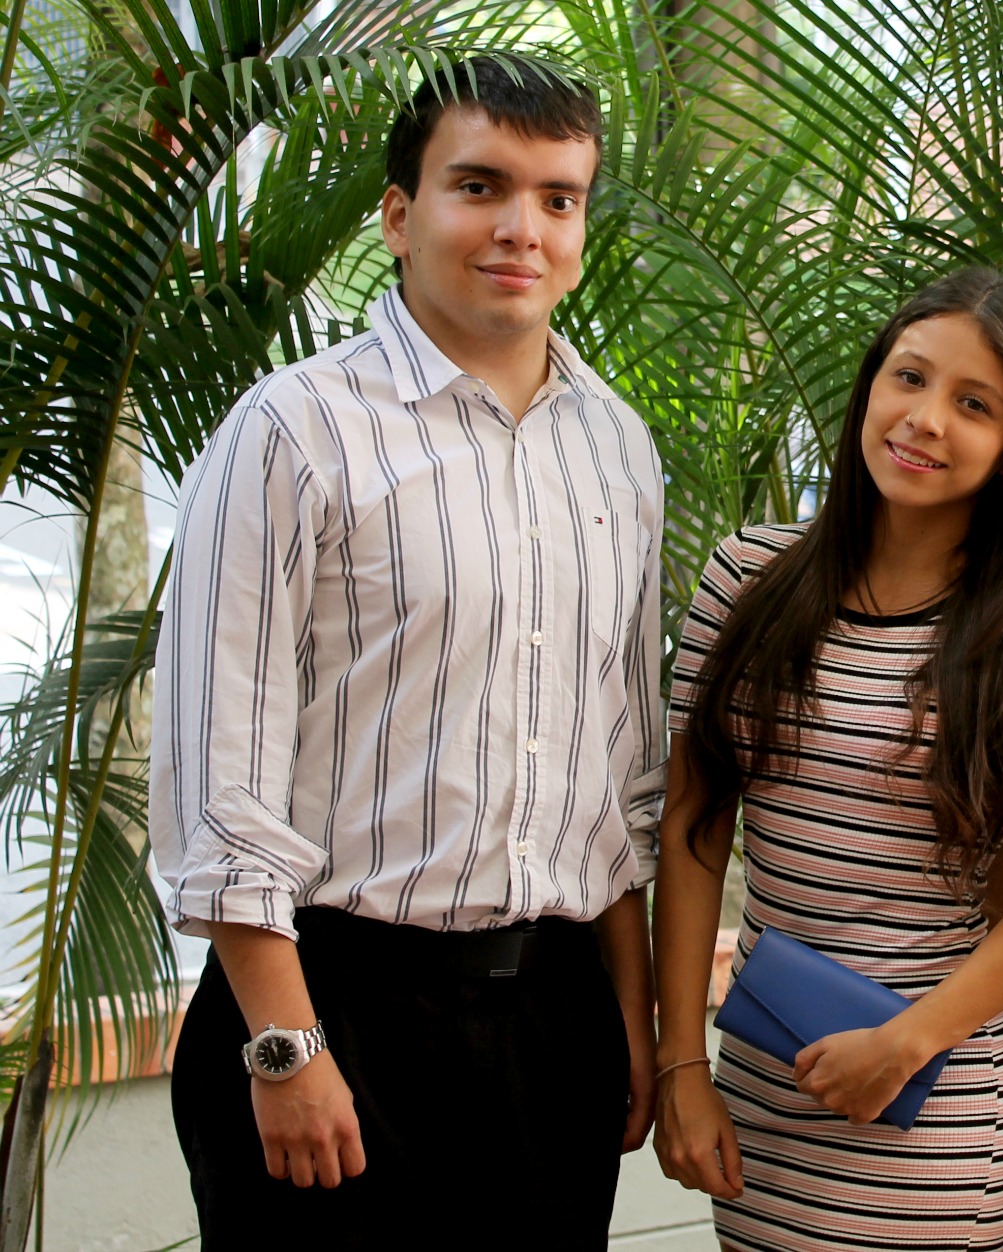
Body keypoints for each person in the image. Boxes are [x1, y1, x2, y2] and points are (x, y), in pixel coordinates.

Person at [150, 56, 664, 1249]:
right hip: (336, 1007)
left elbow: (625, 772)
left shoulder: (617, 448)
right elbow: (218, 773)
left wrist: (632, 1019)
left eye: (557, 197)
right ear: (399, 214)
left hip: (554, 1016)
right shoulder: (291, 430)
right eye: (479, 187)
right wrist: (283, 1046)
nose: (520, 229)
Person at [649, 268, 1003, 1252]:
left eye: (974, 404)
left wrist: (904, 1044)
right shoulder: (747, 576)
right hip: (762, 1092)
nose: (925, 419)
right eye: (909, 378)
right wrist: (680, 1069)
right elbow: (693, 826)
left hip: (933, 1103)